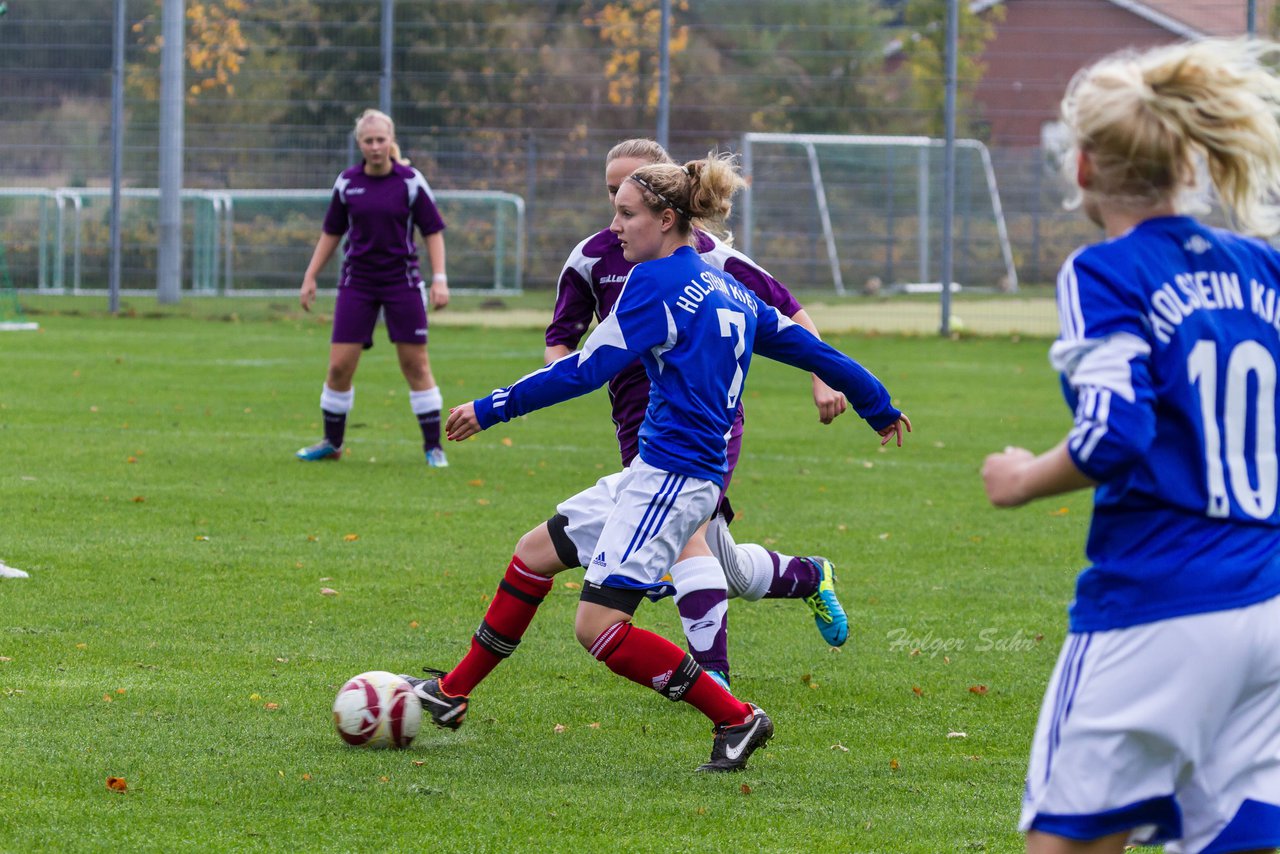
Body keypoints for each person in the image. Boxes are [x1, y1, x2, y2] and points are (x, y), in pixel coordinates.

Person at [403, 152, 911, 772]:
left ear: (667, 218)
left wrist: (492, 407)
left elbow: (585, 371)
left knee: (597, 628)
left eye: (626, 213)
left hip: (673, 478)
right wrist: (877, 405)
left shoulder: (655, 284)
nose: (615, 227)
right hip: (659, 471)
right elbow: (813, 349)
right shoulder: (730, 288)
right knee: (534, 551)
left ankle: (737, 717)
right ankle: (453, 692)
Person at [982, 38, 1280, 854]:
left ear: (1080, 168)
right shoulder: (1264, 266)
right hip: (1267, 606)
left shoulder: (1103, 272)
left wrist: (1019, 478)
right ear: (1188, 162)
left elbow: (1116, 432)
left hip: (1159, 601)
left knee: (1068, 842)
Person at [544, 138, 853, 688]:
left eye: (631, 190)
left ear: (671, 202)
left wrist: (823, 375)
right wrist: (566, 373)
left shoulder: (709, 257)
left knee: (688, 544)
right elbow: (561, 339)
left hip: (705, 424)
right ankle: (810, 575)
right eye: (612, 191)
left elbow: (786, 310)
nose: (620, 201)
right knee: (721, 563)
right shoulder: (592, 255)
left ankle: (716, 684)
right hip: (635, 423)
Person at [295, 108, 452, 467]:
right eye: (369, 141)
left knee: (415, 364)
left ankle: (433, 447)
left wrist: (440, 278)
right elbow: (332, 232)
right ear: (360, 144)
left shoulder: (411, 181)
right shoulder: (347, 182)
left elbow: (433, 232)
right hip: (357, 284)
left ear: (391, 140)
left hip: (402, 284)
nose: (376, 146)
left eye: (381, 139)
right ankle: (332, 444)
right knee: (338, 367)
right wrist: (310, 275)